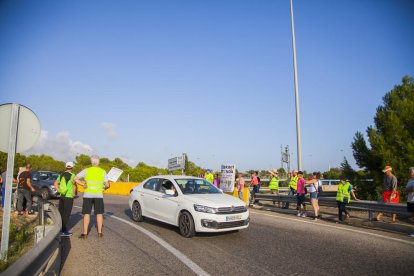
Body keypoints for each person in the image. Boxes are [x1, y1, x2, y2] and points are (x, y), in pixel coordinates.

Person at [75, 155, 110, 238]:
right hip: (99, 195)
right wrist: (104, 187)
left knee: (87, 213)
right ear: (99, 162)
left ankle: (85, 233)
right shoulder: (103, 171)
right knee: (99, 213)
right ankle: (99, 232)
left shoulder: (87, 170)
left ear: (91, 162)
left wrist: (83, 184)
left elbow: (75, 178)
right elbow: (107, 185)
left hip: (88, 195)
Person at [54, 162, 76, 237]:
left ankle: (58, 228)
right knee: (66, 214)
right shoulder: (73, 175)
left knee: (61, 212)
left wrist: (59, 190)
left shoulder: (61, 174)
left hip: (62, 196)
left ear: (66, 167)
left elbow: (55, 183)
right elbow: (73, 185)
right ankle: (63, 231)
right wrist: (74, 193)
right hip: (69, 197)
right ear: (72, 167)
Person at [405, 167, 414, 237]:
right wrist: (410, 189)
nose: (409, 173)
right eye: (409, 171)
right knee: (412, 217)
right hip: (410, 200)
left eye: (410, 172)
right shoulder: (410, 180)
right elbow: (406, 189)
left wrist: (409, 189)